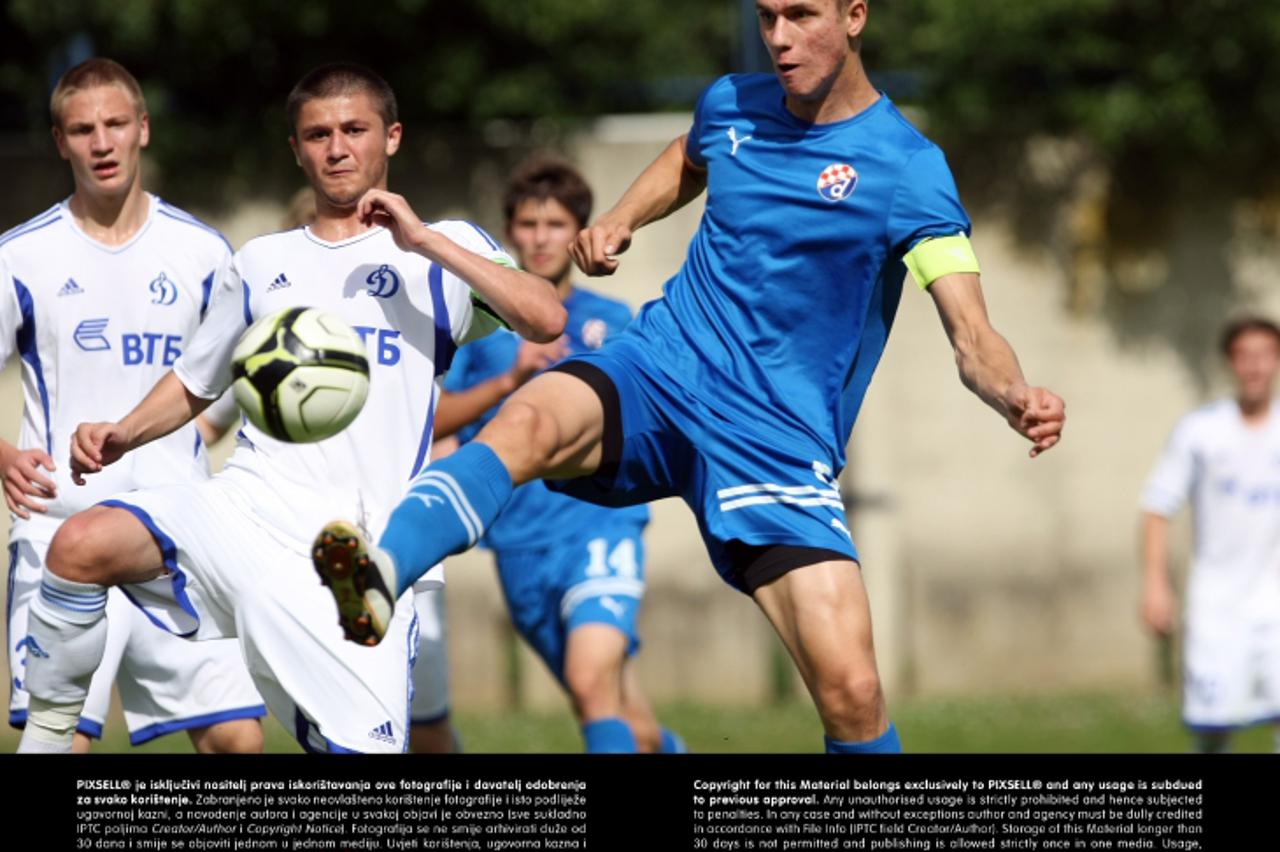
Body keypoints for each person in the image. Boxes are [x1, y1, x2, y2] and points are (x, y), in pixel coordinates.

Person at [315, 0, 1065, 753]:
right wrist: (620, 218)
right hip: (661, 369)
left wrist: (1012, 393)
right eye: (768, 17)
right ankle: (381, 574)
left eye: (801, 16)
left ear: (855, 16)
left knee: (853, 694)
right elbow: (690, 153)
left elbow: (971, 332)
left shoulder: (908, 168)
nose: (779, 38)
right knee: (528, 421)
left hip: (773, 438)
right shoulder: (733, 101)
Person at [15, 62, 564, 754]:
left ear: (391, 138)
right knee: (78, 544)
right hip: (248, 511)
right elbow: (195, 382)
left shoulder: (443, 251)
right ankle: (48, 733)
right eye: (318, 134)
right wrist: (124, 433)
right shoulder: (259, 261)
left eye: (354, 130)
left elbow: (545, 316)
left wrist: (422, 239)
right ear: (296, 149)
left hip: (365, 554)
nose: (337, 148)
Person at [0, 58, 265, 754]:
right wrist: (2, 456)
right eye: (82, 129)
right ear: (60, 141)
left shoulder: (205, 253)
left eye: (116, 123)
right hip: (62, 531)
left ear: (142, 129)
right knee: (61, 744)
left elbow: (245, 371)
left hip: (177, 535)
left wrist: (216, 434)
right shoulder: (20, 257)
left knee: (238, 739)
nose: (102, 141)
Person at [426, 157, 683, 753]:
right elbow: (429, 418)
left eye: (555, 225)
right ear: (510, 232)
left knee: (592, 685)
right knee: (626, 720)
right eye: (527, 224)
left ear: (579, 232)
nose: (541, 239)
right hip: (518, 543)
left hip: (598, 525)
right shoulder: (481, 328)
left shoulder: (611, 322)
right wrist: (507, 381)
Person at [1140, 317, 1280, 753]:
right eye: (1244, 356)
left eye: (1264, 355)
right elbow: (1156, 509)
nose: (1254, 367)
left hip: (1275, 607)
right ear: (1230, 363)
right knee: (1213, 731)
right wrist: (1155, 586)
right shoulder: (1200, 431)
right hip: (1216, 609)